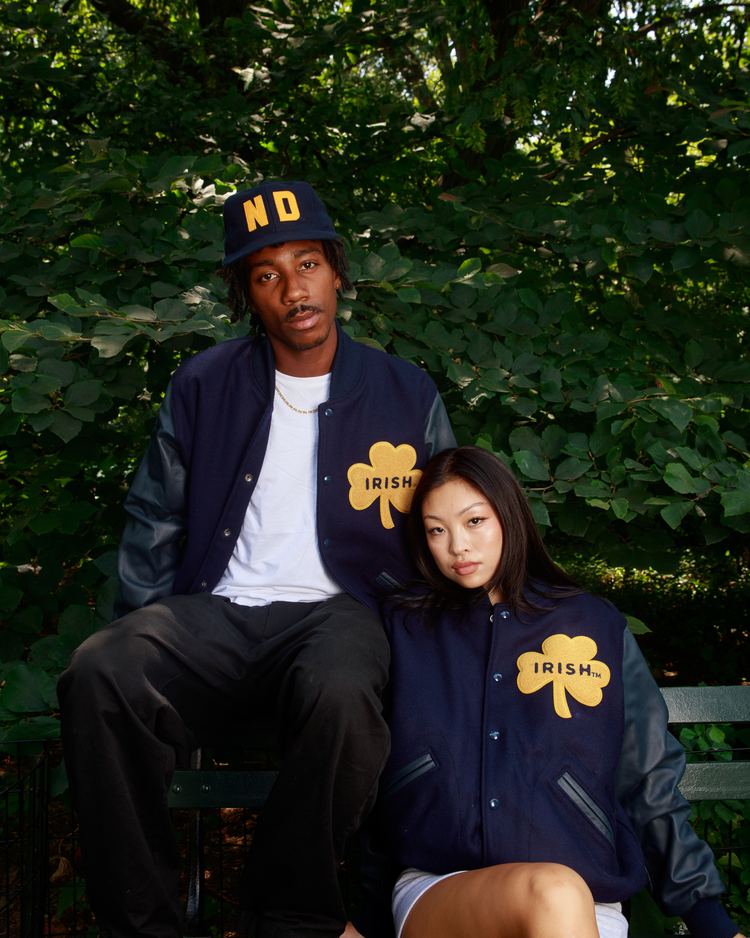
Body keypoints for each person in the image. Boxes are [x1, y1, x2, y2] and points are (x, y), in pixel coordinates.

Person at [57, 180, 455, 938]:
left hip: (341, 615)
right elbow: (155, 514)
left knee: (341, 687)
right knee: (100, 671)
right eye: (266, 275)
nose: (292, 289)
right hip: (212, 613)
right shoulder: (204, 383)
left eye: (307, 264)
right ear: (245, 295)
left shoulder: (405, 392)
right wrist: (147, 641)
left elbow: (446, 527)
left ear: (337, 271)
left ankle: (287, 918)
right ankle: (144, 927)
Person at [352, 446, 743, 938]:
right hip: (442, 889)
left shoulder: (594, 624)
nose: (457, 546)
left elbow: (648, 777)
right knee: (551, 891)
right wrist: (364, 914)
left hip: (587, 900)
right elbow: (364, 766)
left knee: (559, 895)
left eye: (475, 521)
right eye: (436, 529)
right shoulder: (403, 627)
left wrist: (710, 922)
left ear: (510, 517)